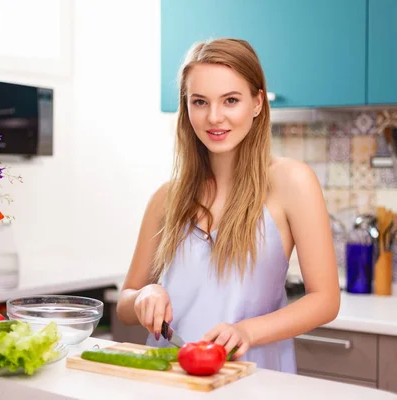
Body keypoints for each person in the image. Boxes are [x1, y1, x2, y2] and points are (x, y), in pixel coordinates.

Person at [116, 38, 340, 373]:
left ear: (257, 102)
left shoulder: (293, 182)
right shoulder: (166, 197)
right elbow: (125, 301)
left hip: (252, 377)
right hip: (169, 378)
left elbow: (325, 300)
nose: (214, 117)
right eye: (200, 102)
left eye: (230, 100)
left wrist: (247, 331)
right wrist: (145, 295)